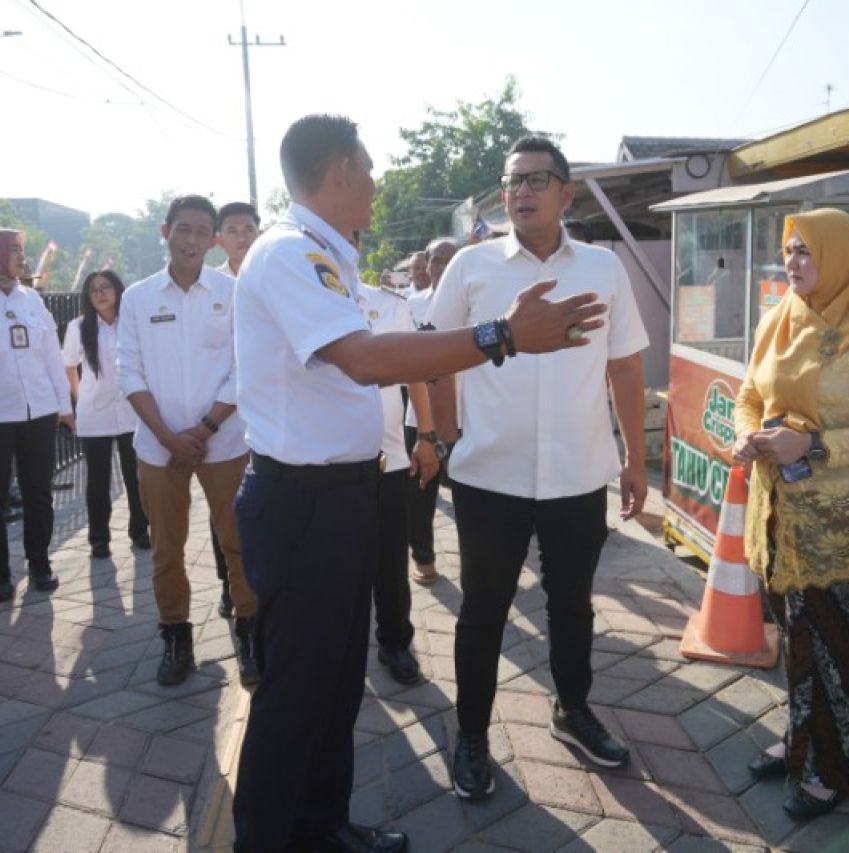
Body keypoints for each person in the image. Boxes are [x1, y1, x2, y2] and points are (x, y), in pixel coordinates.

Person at [231, 113, 606, 853]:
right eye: (368, 170)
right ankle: (268, 839)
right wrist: (499, 335)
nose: (375, 186)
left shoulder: (325, 257)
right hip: (302, 501)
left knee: (336, 687)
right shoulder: (288, 253)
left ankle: (322, 826)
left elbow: (382, 349)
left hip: (340, 494)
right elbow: (367, 360)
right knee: (296, 693)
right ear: (338, 171)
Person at [427, 135, 649, 800]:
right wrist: (443, 438)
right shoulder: (471, 267)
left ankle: (572, 709)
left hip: (578, 473)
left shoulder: (604, 269)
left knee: (572, 605)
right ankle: (471, 736)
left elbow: (626, 363)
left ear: (565, 192)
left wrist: (636, 458)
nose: (519, 192)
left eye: (535, 179)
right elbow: (435, 354)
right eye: (511, 182)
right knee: (483, 611)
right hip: (488, 475)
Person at [731, 208, 849, 820]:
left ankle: (835, 768)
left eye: (806, 251)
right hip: (775, 516)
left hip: (839, 522)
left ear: (843, 255)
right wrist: (746, 436)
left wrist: (814, 444)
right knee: (793, 639)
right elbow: (749, 393)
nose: (791, 261)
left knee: (836, 648)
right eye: (788, 250)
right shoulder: (779, 317)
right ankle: (800, 739)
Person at [117, 195, 258, 688]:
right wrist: (167, 437)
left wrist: (203, 430)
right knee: (166, 548)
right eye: (184, 229)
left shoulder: (233, 291)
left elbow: (246, 367)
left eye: (203, 232)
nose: (193, 240)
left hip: (223, 443)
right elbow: (128, 370)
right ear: (165, 232)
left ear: (214, 239)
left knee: (239, 542)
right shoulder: (137, 297)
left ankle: (249, 631)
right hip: (158, 449)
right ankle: (176, 635)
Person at [355, 279, 440, 684]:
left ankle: (395, 643)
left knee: (390, 561)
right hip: (325, 461)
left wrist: (425, 436)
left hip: (386, 455)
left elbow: (415, 373)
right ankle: (340, 649)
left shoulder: (387, 304)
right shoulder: (303, 296)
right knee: (336, 565)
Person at [0, 228, 73, 601]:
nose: (21, 257)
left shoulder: (33, 300)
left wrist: (64, 405)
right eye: (12, 250)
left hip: (39, 411)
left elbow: (52, 355)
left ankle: (39, 563)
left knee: (38, 492)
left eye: (21, 250)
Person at [63, 270, 149, 559]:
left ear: (117, 290)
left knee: (135, 476)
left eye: (105, 287)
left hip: (131, 410)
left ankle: (140, 531)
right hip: (94, 413)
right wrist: (78, 400)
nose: (100, 294)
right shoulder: (79, 327)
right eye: (94, 290)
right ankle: (99, 539)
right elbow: (69, 366)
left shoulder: (132, 322)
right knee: (98, 480)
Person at [206, 201, 262, 619]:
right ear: (218, 238)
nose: (242, 236)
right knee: (222, 511)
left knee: (264, 506)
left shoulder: (270, 278)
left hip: (268, 414)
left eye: (249, 228)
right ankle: (230, 584)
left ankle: (260, 582)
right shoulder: (208, 287)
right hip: (223, 420)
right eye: (233, 229)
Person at [406, 236, 458, 585]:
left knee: (470, 494)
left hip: (466, 416)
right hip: (419, 417)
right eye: (436, 260)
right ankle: (423, 558)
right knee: (419, 493)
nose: (442, 267)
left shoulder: (478, 304)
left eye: (450, 260)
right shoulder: (410, 305)